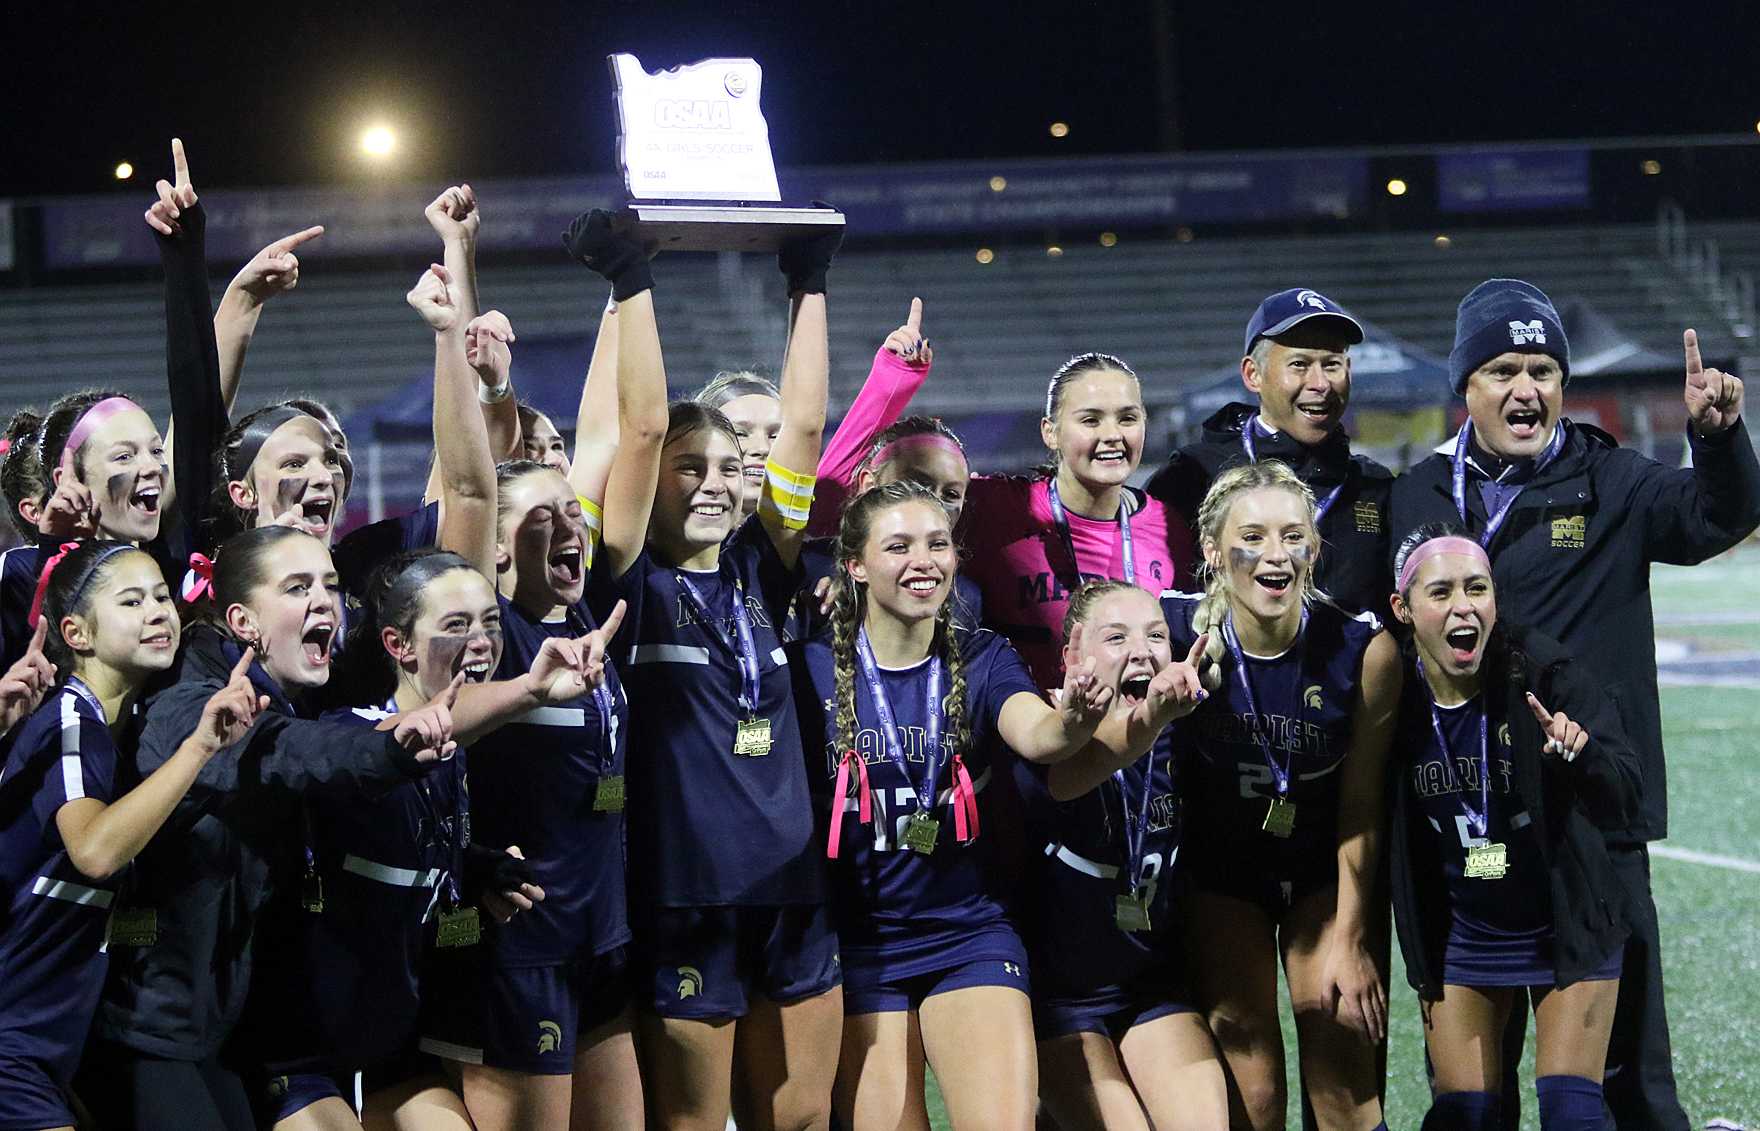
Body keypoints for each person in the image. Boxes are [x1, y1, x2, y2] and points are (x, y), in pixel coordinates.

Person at [1388, 279, 1760, 1131]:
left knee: (1620, 1088)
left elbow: (1717, 516)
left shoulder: (1611, 480)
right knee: (1474, 1100)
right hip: (1464, 820)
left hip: (1590, 815)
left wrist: (1717, 439)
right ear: (1466, 384)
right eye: (1504, 370)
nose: (1527, 388)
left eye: (1544, 370)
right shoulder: (1419, 493)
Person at [570, 206, 843, 1131]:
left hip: (794, 889)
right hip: (684, 895)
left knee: (799, 1119)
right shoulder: (626, 579)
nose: (717, 482)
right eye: (693, 468)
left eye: (730, 465)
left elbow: (804, 425)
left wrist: (809, 282)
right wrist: (631, 280)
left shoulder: (763, 567)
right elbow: (642, 428)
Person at [81, 526, 463, 1131]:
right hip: (148, 1028)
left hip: (220, 1032)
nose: (324, 601)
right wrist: (391, 750)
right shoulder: (192, 699)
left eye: (330, 584)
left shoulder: (290, 690)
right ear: (243, 621)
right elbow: (289, 752)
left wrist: (475, 866)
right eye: (297, 587)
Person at [793, 481, 1114, 1131]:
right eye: (899, 546)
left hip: (968, 933)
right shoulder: (808, 668)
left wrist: (1075, 719)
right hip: (858, 945)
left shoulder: (982, 655)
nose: (925, 561)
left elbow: (1040, 736)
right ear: (855, 564)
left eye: (937, 543)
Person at [1166, 461, 1398, 1131]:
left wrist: (1351, 938)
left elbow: (1361, 804)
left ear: (1314, 549)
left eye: (1293, 536)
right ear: (1213, 551)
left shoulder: (1362, 648)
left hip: (1319, 875)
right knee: (1255, 1090)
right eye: (1254, 536)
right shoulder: (1170, 632)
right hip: (1220, 877)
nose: (1276, 554)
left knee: (1343, 1071)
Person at [0, 542, 263, 1131]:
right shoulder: (72, 722)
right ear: (76, 633)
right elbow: (95, 852)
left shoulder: (120, 732)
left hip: (49, 1053)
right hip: (11, 1049)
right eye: (131, 601)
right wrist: (200, 747)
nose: (157, 611)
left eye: (163, 596)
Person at [1386, 526, 1640, 1130]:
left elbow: (1626, 793)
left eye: (1477, 589)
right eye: (1441, 592)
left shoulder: (1541, 670)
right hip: (1464, 931)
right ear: (1403, 608)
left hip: (1565, 921)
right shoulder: (1388, 690)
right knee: (1466, 1116)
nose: (1463, 607)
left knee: (1572, 1113)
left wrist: (1581, 755)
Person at [1012, 580, 1227, 1131]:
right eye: (1116, 637)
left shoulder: (1182, 730)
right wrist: (1149, 717)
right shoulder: (1042, 730)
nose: (1141, 651)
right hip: (1057, 1001)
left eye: (1155, 636)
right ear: (1072, 655)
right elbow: (1064, 780)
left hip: (1149, 984)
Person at [1148, 287, 1393, 617]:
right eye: (1299, 364)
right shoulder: (1192, 475)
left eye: (1332, 364)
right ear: (1253, 374)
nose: (1320, 383)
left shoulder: (1374, 486)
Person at [961, 351, 1197, 687]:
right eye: (1091, 420)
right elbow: (885, 497)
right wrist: (895, 377)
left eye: (1127, 418)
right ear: (1050, 432)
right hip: (1031, 719)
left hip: (1141, 719)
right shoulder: (996, 507)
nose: (1113, 434)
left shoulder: (1169, 526)